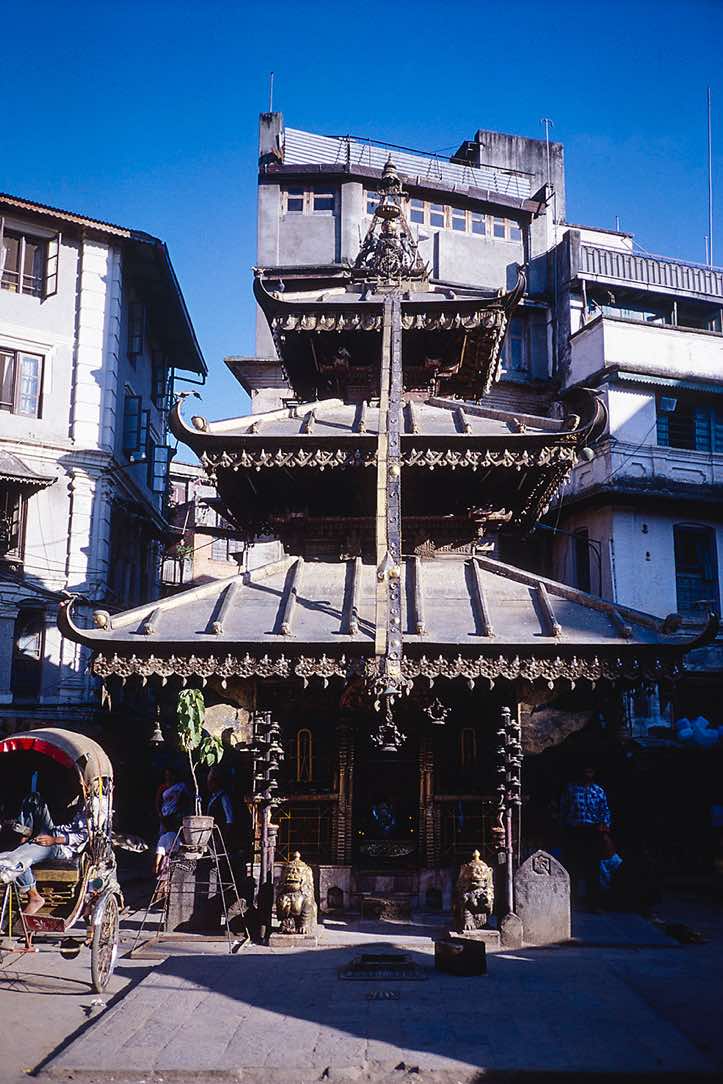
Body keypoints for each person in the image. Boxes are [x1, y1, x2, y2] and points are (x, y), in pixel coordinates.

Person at [0, 794, 88, 915]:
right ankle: (24, 835)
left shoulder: (97, 804)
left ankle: (35, 898)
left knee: (15, 860)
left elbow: (84, 836)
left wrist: (54, 840)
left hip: (61, 847)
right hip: (54, 831)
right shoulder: (82, 797)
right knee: (33, 799)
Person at [560, 765, 611, 911]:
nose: (588, 772)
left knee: (593, 869)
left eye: (591, 770)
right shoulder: (571, 789)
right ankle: (571, 902)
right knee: (573, 867)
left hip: (593, 832)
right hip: (575, 831)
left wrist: (605, 826)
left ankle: (593, 903)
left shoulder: (599, 790)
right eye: (585, 769)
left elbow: (605, 811)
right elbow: (564, 809)